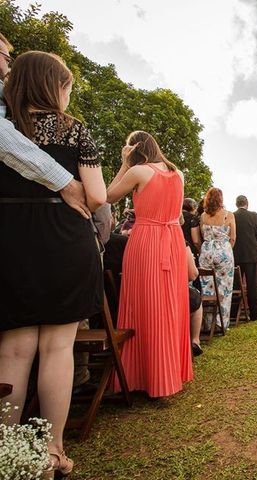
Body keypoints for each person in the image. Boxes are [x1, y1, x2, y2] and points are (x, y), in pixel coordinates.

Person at [0, 50, 106, 477]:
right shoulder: (73, 129)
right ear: (53, 86)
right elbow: (97, 196)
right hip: (64, 241)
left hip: (11, 242)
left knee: (12, 350)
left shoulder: (7, 127)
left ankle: (7, 451)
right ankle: (52, 451)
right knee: (58, 349)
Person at [107, 130, 192, 398]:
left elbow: (108, 196)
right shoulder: (178, 174)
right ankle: (169, 373)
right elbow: (177, 214)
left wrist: (124, 163)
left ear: (135, 149)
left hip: (147, 240)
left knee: (143, 304)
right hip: (173, 241)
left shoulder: (138, 172)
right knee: (169, 305)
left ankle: (144, 376)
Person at [0, 33, 90, 221]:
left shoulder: (12, 117)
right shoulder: (73, 128)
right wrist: (66, 182)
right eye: (6, 58)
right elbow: (97, 197)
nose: (8, 68)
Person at [200, 187, 236, 330]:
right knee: (224, 289)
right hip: (224, 252)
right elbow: (233, 238)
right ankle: (221, 323)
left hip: (207, 251)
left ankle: (209, 325)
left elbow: (202, 237)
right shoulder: (229, 215)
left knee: (207, 288)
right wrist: (226, 250)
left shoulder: (203, 216)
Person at [233, 195, 257, 321]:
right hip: (250, 254)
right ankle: (254, 314)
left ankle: (233, 314)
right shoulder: (253, 215)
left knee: (236, 285)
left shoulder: (232, 215)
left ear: (236, 204)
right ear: (247, 203)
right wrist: (252, 244)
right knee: (252, 285)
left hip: (236, 255)